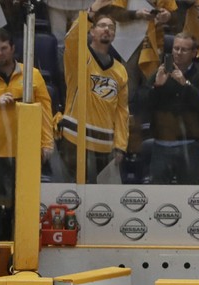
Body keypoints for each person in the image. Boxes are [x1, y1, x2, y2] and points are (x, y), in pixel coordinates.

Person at [0, 32, 57, 235]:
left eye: (3, 48)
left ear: (13, 48)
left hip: (24, 151)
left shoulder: (32, 75)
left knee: (23, 207)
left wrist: (46, 142)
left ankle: (20, 250)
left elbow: (46, 111)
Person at [60, 11, 130, 182]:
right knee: (73, 199)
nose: (107, 29)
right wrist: (88, 16)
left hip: (105, 146)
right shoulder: (79, 56)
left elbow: (122, 112)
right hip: (75, 140)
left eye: (111, 27)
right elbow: (71, 39)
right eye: (102, 25)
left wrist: (120, 146)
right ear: (91, 31)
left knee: (101, 204)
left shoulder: (120, 70)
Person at [142, 32, 199, 185]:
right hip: (161, 144)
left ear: (194, 53)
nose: (178, 53)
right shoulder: (161, 72)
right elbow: (144, 105)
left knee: (188, 195)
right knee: (158, 195)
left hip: (190, 145)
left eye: (183, 50)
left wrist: (185, 84)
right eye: (176, 48)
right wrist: (157, 86)